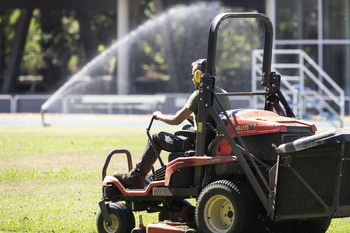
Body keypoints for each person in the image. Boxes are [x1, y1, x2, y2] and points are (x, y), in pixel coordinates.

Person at [114, 59, 231, 189]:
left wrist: (159, 116)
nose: (192, 79)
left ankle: (136, 177)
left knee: (156, 138)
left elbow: (176, 120)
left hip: (199, 144)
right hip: (213, 142)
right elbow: (208, 118)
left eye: (193, 76)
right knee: (187, 127)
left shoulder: (199, 94)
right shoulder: (223, 94)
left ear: (199, 76)